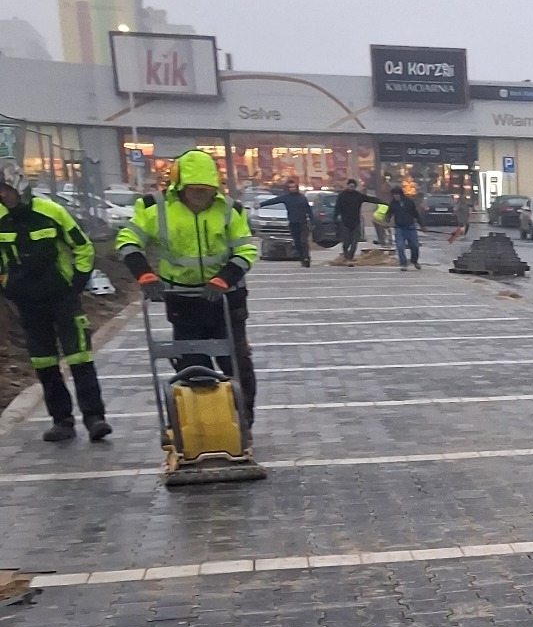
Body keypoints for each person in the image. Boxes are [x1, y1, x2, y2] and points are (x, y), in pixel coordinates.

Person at [116, 150, 260, 420]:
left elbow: (246, 250)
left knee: (237, 363)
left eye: (207, 190)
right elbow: (128, 240)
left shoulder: (230, 210)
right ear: (179, 185)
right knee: (193, 366)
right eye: (195, 190)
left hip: (226, 299)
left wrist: (224, 278)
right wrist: (144, 274)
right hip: (183, 300)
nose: (201, 196)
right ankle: (202, 422)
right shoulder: (154, 208)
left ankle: (243, 420)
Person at [0, 174, 111, 443]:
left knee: (79, 357)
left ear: (19, 188)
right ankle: (61, 421)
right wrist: (6, 286)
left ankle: (95, 418)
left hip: (62, 298)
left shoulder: (52, 212)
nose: (3, 196)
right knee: (44, 362)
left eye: (6, 190)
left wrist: (78, 281)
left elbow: (82, 246)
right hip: (27, 302)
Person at [271, 177, 314, 266]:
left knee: (303, 241)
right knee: (297, 242)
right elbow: (273, 201)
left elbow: (308, 210)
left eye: (294, 187)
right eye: (290, 187)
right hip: (293, 223)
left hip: (303, 223)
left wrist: (313, 221)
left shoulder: (302, 198)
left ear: (296, 187)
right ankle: (302, 258)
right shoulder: (286, 197)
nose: (292, 189)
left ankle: (306, 258)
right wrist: (260, 204)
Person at [333, 178, 371, 263]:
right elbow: (337, 208)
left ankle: (350, 256)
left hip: (355, 222)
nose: (351, 188)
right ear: (348, 186)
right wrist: (335, 218)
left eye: (353, 187)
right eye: (350, 186)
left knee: (355, 241)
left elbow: (369, 199)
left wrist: (383, 202)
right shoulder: (342, 195)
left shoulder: (358, 195)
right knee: (346, 242)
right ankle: (346, 254)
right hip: (345, 222)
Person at [388, 185, 422, 270]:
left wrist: (422, 225)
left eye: (397, 195)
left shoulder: (409, 202)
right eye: (394, 195)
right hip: (399, 228)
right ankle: (403, 263)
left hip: (410, 227)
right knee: (400, 246)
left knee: (414, 245)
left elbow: (415, 213)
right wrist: (387, 220)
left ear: (400, 194)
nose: (395, 197)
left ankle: (414, 260)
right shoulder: (393, 203)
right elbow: (389, 213)